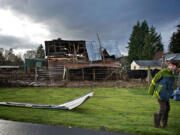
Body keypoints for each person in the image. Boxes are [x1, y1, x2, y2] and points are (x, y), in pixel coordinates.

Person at [148, 60, 179, 128]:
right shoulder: (162, 72)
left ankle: (164, 124)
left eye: (173, 66)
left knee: (167, 108)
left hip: (167, 94)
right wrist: (151, 91)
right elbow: (153, 81)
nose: (171, 67)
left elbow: (175, 83)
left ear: (175, 67)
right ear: (168, 66)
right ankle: (157, 124)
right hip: (160, 93)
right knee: (163, 108)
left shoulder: (174, 74)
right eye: (170, 65)